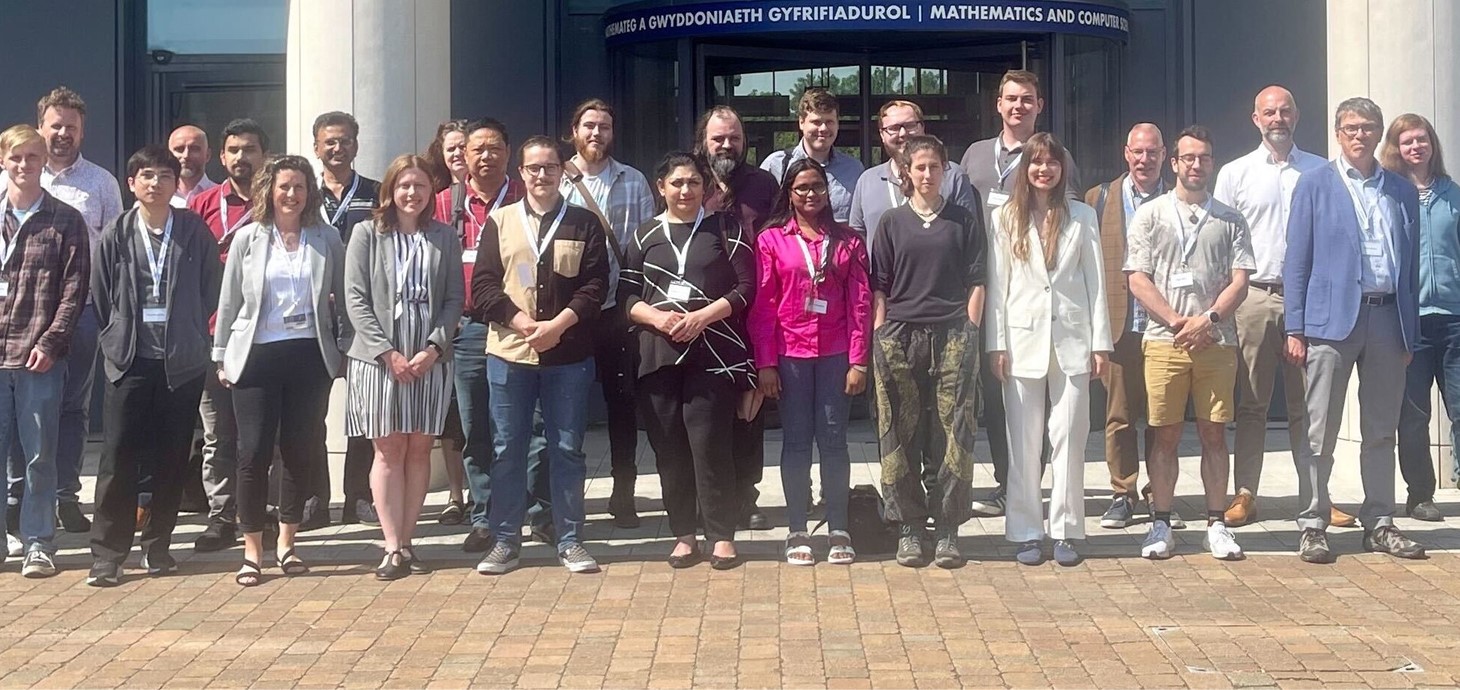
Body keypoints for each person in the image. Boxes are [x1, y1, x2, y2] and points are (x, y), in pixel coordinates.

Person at [1284, 98, 1425, 563]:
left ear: (1378, 133)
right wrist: (1296, 327)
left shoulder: (1401, 190)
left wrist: (1410, 332)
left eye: (1367, 128)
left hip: (1388, 320)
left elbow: (1411, 269)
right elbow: (1297, 261)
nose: (1358, 135)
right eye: (1349, 128)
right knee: (1318, 429)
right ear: (1337, 133)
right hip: (1330, 322)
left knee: (1382, 429)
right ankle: (1312, 522)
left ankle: (1380, 520)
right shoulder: (1314, 184)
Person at [471, 135, 609, 575]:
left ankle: (569, 540)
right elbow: (484, 287)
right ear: (522, 173)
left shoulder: (584, 223)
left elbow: (595, 287)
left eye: (550, 167)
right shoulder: (500, 221)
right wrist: (524, 324)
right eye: (533, 168)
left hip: (568, 356)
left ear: (562, 171)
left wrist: (557, 326)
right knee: (507, 447)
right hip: (510, 354)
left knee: (567, 448)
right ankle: (505, 541)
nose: (542, 175)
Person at [86, 145, 220, 586]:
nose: (156, 183)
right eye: (147, 175)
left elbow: (210, 289)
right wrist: (117, 336)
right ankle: (108, 553)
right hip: (130, 361)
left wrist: (190, 331)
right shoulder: (117, 233)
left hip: (180, 363)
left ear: (174, 182)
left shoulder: (193, 230)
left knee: (170, 457)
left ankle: (158, 545)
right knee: (118, 458)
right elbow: (103, 295)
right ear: (132, 183)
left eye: (165, 175)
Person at [213, 155, 350, 586]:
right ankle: (252, 549)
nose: (291, 195)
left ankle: (288, 544)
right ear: (268, 190)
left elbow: (343, 300)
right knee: (251, 453)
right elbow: (229, 301)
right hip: (256, 356)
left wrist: (344, 350)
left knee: (299, 449)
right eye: (284, 187)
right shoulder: (248, 239)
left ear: (310, 193)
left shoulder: (326, 238)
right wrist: (221, 355)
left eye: (300, 187)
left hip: (309, 356)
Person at [621, 151, 756, 569]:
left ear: (705, 188)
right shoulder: (645, 236)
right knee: (669, 450)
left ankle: (721, 535)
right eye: (676, 183)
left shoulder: (726, 230)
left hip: (712, 354)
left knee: (711, 445)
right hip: (658, 357)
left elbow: (746, 288)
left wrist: (701, 317)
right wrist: (658, 318)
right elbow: (625, 297)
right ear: (660, 188)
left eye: (693, 183)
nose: (685, 190)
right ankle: (683, 534)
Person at [1212, 86, 1339, 528]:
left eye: (1285, 111)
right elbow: (1222, 241)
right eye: (1269, 112)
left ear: (1297, 115)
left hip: (1310, 298)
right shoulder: (1235, 173)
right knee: (1252, 401)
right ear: (1255, 119)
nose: (1277, 118)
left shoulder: (1322, 171)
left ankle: (1316, 495)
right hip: (1254, 297)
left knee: (1310, 403)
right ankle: (1246, 492)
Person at [1125, 125, 1254, 561]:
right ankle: (1161, 521)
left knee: (1214, 434)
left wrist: (1209, 318)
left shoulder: (1230, 218)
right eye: (1188, 158)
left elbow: (1241, 280)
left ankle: (1216, 523)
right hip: (1165, 340)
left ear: (1211, 163)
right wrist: (1180, 321)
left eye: (1204, 158)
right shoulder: (1151, 215)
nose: (1196, 165)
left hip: (1217, 341)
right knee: (1165, 434)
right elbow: (1137, 279)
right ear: (1174, 162)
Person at [960, 70, 1082, 519]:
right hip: (986, 287)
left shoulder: (1056, 155)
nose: (1018, 107)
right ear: (998, 104)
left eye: (1027, 100)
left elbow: (1065, 224)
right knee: (996, 392)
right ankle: (1006, 482)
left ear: (1039, 105)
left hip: (1036, 292)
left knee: (1045, 401)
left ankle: (1036, 484)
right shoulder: (974, 156)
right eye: (1011, 99)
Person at [1, 88, 122, 538]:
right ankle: (17, 498)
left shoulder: (101, 183)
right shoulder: (13, 173)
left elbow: (114, 254)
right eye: (56, 125)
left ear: (82, 130)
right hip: (15, 320)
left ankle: (66, 496)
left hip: (81, 310)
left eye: (72, 126)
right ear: (41, 126)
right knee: (17, 410)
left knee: (71, 407)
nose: (63, 133)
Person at [987, 133, 1110, 567]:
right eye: (1036, 163)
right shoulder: (1005, 217)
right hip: (1021, 341)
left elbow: (1096, 283)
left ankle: (1066, 530)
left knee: (1070, 438)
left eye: (1051, 163)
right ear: (1025, 169)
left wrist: (1101, 343)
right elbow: (998, 284)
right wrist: (995, 343)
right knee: (1023, 443)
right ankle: (1025, 531)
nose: (1044, 170)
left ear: (1063, 169)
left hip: (1074, 340)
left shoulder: (1081, 216)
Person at [433, 118, 551, 552]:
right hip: (468, 330)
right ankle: (486, 517)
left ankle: (540, 515)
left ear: (509, 153)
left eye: (495, 148)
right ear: (462, 155)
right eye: (477, 149)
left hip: (522, 327)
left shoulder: (528, 200)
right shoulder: (444, 205)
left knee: (533, 424)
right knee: (476, 427)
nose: (486, 156)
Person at [344, 154, 463, 580]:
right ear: (390, 190)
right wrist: (387, 353)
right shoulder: (365, 234)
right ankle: (390, 545)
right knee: (388, 449)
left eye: (421, 187)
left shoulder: (444, 237)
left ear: (432, 193)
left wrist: (433, 348)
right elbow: (354, 299)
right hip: (378, 360)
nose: (412, 194)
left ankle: (409, 542)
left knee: (418, 449)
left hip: (428, 359)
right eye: (404, 186)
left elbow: (453, 299)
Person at [871, 134, 984, 569]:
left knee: (953, 433)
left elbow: (978, 276)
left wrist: (971, 327)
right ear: (906, 173)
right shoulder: (891, 222)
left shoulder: (961, 219)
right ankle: (909, 527)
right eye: (919, 167)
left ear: (944, 170)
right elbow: (879, 283)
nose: (927, 174)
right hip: (900, 335)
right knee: (899, 433)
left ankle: (949, 528)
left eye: (934, 167)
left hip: (953, 332)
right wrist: (881, 333)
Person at [749, 158, 870, 565]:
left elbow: (860, 302)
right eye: (801, 188)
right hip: (790, 355)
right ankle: (797, 527)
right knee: (797, 441)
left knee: (834, 441)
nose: (810, 194)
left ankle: (839, 527)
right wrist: (765, 363)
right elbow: (763, 305)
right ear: (789, 193)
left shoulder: (848, 241)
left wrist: (859, 360)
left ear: (827, 191)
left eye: (817, 186)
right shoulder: (771, 241)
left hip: (837, 354)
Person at [558, 98, 655, 528]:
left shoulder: (633, 181)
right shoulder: (556, 181)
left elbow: (648, 244)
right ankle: (565, 497)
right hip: (571, 313)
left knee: (622, 406)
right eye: (590, 126)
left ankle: (624, 493)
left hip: (619, 309)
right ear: (574, 131)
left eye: (605, 127)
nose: (597, 134)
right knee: (567, 409)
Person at [0, 125, 90, 578]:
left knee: (39, 456)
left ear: (42, 163)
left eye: (32, 157)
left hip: (38, 357)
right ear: (3, 161)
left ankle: (38, 542)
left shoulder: (66, 219)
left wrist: (51, 342)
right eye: (16, 158)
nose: (24, 165)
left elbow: (74, 292)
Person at [1086, 123, 1179, 530]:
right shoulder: (1098, 199)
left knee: (1163, 416)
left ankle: (1161, 497)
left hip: (1164, 325)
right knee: (1119, 416)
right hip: (1118, 326)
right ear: (1126, 153)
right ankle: (1122, 493)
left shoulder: (1178, 200)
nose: (1145, 160)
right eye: (1138, 152)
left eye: (1153, 152)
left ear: (1164, 156)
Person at [187, 118, 269, 552]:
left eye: (250, 149)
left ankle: (260, 513)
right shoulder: (201, 205)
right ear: (221, 158)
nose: (241, 157)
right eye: (234, 150)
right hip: (212, 338)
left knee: (261, 434)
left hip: (263, 339)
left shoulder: (278, 204)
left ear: (264, 155)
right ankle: (221, 516)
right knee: (218, 433)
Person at [695, 105, 777, 530]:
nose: (727, 145)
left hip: (751, 310)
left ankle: (746, 494)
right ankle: (708, 495)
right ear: (703, 141)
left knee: (750, 409)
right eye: (718, 138)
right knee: (706, 410)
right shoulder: (690, 180)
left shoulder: (763, 184)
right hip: (702, 314)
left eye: (734, 138)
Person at [1385, 113, 1460, 523]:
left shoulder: (1454, 195)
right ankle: (1420, 494)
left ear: (1432, 144)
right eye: (1407, 141)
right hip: (1409, 322)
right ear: (1396, 148)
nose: (1416, 147)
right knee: (1413, 415)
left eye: (1422, 139)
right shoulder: (1392, 195)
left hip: (1454, 318)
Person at [314, 111, 382, 529]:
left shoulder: (377, 194)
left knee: (362, 410)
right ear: (316, 147)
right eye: (329, 142)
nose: (338, 148)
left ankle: (359, 496)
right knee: (309, 411)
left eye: (345, 141)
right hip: (314, 317)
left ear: (356, 145)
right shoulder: (301, 193)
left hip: (361, 315)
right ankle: (312, 498)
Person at [849, 99, 981, 249]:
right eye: (894, 128)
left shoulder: (952, 175)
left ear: (922, 127)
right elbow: (857, 237)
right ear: (882, 134)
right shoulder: (867, 181)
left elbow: (970, 235)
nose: (903, 133)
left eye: (910, 125)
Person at [759, 88, 865, 222]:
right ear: (801, 122)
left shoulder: (854, 170)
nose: (823, 129)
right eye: (816, 122)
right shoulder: (776, 165)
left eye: (829, 122)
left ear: (838, 123)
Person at [168, 125, 216, 208]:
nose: (186, 155)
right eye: (179, 149)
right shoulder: (157, 197)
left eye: (194, 149)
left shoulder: (221, 197)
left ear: (207, 155)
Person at [425, 119, 470, 193]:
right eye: (451, 149)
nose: (458, 153)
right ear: (442, 153)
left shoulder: (487, 190)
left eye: (462, 147)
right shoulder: (433, 193)